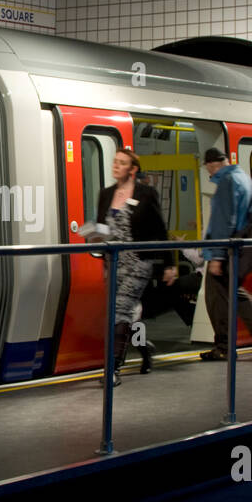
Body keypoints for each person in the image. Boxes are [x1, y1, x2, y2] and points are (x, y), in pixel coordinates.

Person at [90, 148, 168, 384]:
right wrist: (96, 238)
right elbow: (105, 228)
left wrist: (169, 264)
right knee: (123, 315)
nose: (116, 166)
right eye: (115, 162)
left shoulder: (146, 193)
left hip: (138, 262)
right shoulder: (105, 194)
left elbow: (160, 229)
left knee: (120, 310)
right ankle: (144, 348)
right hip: (114, 262)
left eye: (122, 163)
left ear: (132, 169)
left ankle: (113, 369)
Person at [193, 147, 252, 362]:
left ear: (211, 164)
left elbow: (222, 221)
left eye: (206, 167)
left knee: (216, 299)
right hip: (242, 249)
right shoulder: (244, 178)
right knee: (234, 291)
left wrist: (216, 256)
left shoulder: (227, 182)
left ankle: (224, 347)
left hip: (226, 250)